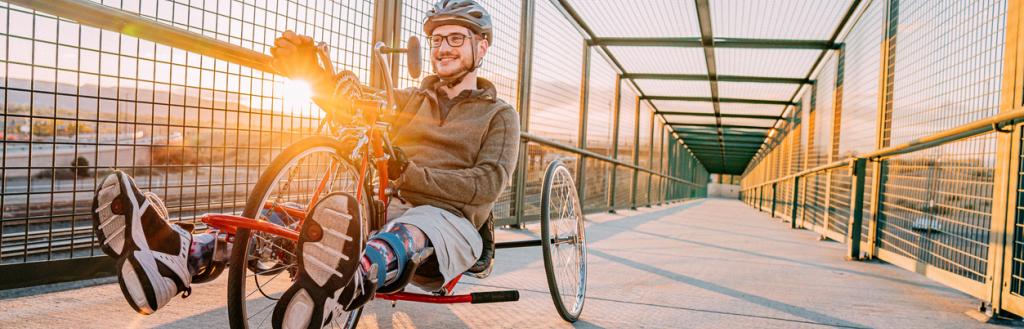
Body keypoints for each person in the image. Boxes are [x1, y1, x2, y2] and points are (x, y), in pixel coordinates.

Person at [89, 1, 520, 328]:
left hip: (449, 225)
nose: (443, 49)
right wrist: (310, 75)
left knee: (406, 230)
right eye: (437, 40)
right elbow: (354, 108)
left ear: (481, 46)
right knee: (293, 222)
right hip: (384, 210)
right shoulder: (407, 100)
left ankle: (341, 287)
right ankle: (179, 255)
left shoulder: (499, 115)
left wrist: (410, 174)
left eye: (456, 39)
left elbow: (485, 186)